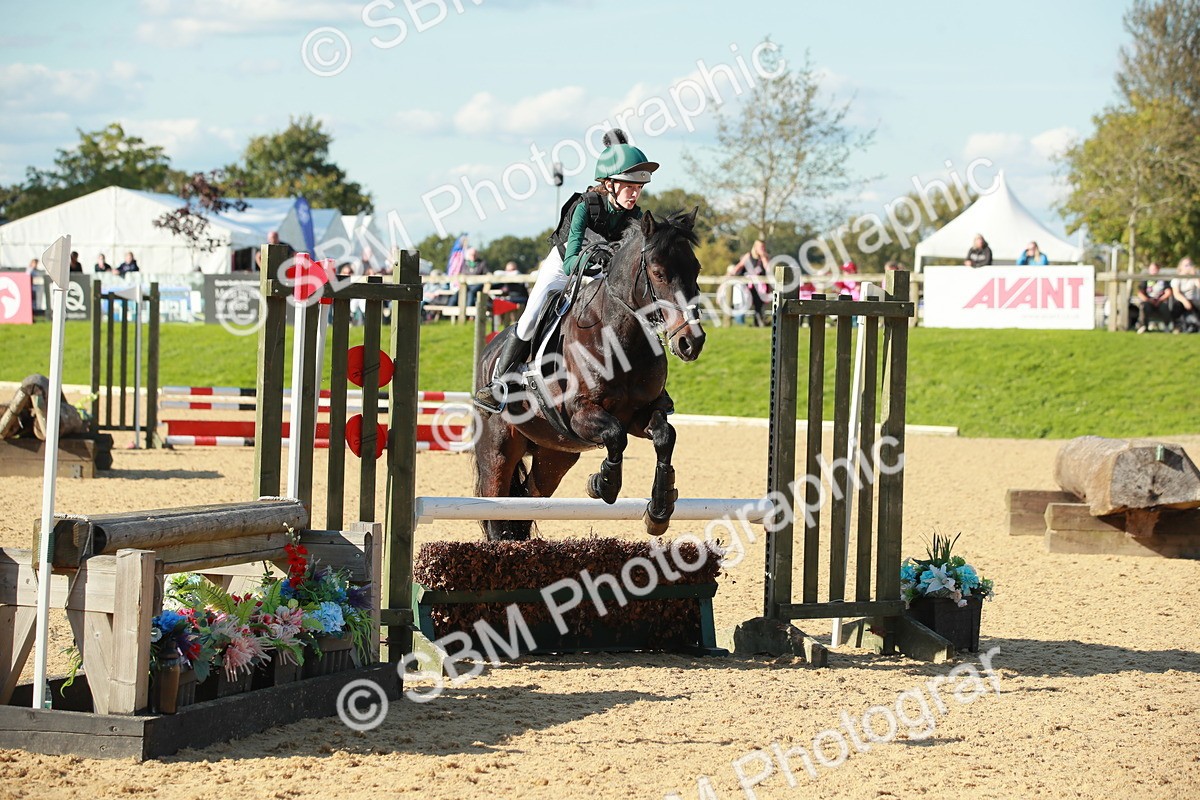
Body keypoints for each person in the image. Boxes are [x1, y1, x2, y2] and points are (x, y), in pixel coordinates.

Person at [473, 129, 657, 413]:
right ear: (609, 183)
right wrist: (594, 260)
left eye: (639, 188)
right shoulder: (584, 207)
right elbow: (571, 262)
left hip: (600, 274)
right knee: (530, 318)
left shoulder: (634, 216)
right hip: (562, 268)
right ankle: (499, 384)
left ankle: (652, 385)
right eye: (629, 187)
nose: (635, 194)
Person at [733, 239, 772, 326]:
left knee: (759, 305)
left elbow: (768, 269)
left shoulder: (765, 257)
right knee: (743, 303)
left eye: (763, 247)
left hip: (761, 286)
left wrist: (763, 258)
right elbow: (739, 266)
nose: (762, 249)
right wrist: (731, 274)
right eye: (760, 247)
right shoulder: (748, 256)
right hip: (749, 285)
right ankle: (741, 323)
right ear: (755, 247)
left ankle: (759, 323)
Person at [1136, 262, 1173, 332]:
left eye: (1155, 269)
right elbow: (1140, 293)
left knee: (1164, 307)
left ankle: (1166, 326)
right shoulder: (1145, 279)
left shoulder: (1163, 280)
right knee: (1144, 307)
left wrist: (1160, 300)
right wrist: (1148, 300)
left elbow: (1168, 292)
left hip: (1161, 301)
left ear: (1158, 270)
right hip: (1148, 301)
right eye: (1152, 269)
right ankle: (1143, 326)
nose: (1153, 271)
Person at [1169, 257, 1199, 333]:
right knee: (1177, 306)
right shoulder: (1177, 278)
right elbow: (1176, 294)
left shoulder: (1195, 276)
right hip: (1181, 300)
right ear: (1181, 267)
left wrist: (1194, 276)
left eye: (1190, 265)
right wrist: (1185, 301)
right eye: (1186, 265)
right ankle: (1177, 327)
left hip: (1193, 300)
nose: (1188, 267)